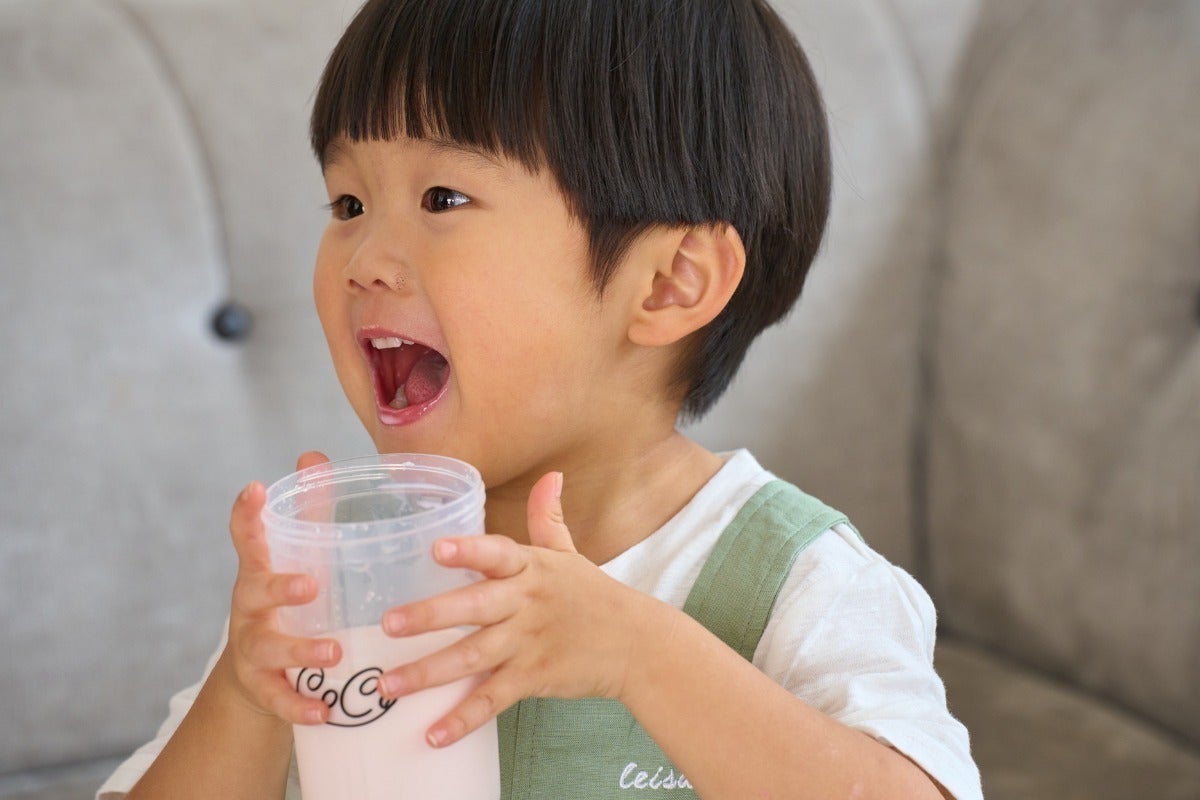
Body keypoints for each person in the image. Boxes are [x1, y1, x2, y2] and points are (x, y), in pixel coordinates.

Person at [100, 0, 981, 798]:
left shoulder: (800, 582)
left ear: (668, 282)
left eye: (442, 197)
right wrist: (247, 697)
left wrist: (639, 654)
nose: (363, 259)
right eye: (348, 202)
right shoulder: (342, 586)